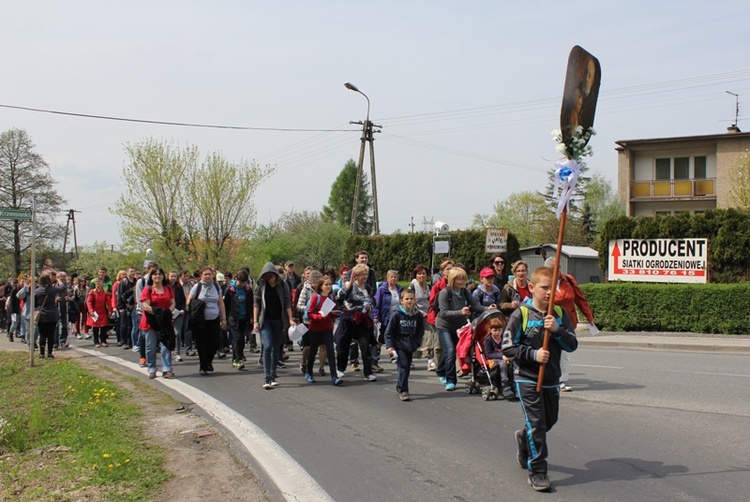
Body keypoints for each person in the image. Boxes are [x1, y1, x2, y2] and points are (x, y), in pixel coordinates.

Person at [501, 266, 578, 492]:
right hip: (527, 378)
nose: (548, 292)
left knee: (548, 421)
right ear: (532, 288)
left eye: (552, 288)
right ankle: (538, 471)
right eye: (544, 287)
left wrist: (557, 330)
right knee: (537, 424)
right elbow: (507, 348)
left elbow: (572, 345)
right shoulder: (521, 314)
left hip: (551, 378)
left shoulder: (560, 314)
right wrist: (533, 355)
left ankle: (524, 439)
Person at [544, 257, 595, 392]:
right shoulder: (543, 283)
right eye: (554, 269)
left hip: (568, 322)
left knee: (566, 352)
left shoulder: (568, 281)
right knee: (551, 351)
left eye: (559, 268)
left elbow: (580, 299)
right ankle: (549, 378)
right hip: (550, 322)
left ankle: (562, 380)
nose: (558, 271)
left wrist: (589, 317)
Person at [436, 267, 486, 391]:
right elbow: (443, 313)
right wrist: (461, 312)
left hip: (459, 328)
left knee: (452, 352)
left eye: (463, 278)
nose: (462, 281)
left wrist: (488, 308)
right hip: (444, 326)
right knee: (450, 350)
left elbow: (476, 306)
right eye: (459, 279)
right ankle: (450, 380)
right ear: (452, 279)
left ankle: (441, 370)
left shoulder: (465, 292)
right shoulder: (444, 293)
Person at [254, 262, 295, 389]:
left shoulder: (283, 285)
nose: (270, 279)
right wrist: (255, 321)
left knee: (276, 347)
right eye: (268, 276)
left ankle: (273, 375)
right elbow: (256, 303)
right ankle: (267, 378)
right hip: (265, 320)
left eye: (272, 276)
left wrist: (290, 318)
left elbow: (287, 302)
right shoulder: (260, 286)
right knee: (267, 346)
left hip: (278, 320)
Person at [335, 263, 377, 382]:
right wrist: (350, 284)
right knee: (343, 345)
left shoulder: (368, 288)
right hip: (349, 319)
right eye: (362, 274)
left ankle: (368, 373)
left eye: (366, 274)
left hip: (362, 320)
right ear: (356, 275)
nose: (364, 277)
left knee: (365, 346)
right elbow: (339, 296)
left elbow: (372, 301)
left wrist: (370, 306)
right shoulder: (350, 286)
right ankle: (340, 369)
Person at [384, 289, 425, 402]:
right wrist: (389, 346)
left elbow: (420, 331)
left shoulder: (418, 315)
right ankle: (403, 390)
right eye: (406, 299)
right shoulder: (397, 315)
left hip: (411, 344)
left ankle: (399, 385)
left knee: (406, 368)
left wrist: (417, 342)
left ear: (415, 300)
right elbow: (389, 332)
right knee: (404, 366)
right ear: (401, 301)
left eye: (411, 299)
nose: (409, 301)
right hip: (399, 344)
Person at [188, 266, 228, 376]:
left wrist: (224, 318)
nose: (207, 276)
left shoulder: (216, 286)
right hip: (201, 320)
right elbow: (189, 301)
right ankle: (203, 366)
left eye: (209, 274)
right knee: (201, 343)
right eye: (205, 274)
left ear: (213, 275)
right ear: (201, 276)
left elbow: (220, 303)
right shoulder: (197, 287)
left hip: (214, 318)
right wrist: (197, 306)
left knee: (215, 342)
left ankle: (208, 361)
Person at [303, 275, 341, 385]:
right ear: (321, 286)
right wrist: (320, 317)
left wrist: (335, 314)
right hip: (315, 329)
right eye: (326, 285)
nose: (329, 287)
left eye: (330, 284)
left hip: (327, 328)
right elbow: (310, 314)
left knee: (330, 351)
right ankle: (309, 372)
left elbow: (334, 311)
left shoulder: (332, 297)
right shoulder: (316, 297)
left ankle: (334, 376)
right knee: (313, 351)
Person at [140, 267, 176, 379]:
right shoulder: (148, 289)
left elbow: (172, 303)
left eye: (160, 274)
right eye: (155, 274)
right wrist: (159, 313)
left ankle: (167, 369)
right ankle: (152, 369)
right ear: (151, 276)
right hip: (151, 321)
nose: (157, 276)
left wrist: (166, 313)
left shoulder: (168, 289)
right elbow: (146, 306)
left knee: (166, 345)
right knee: (150, 346)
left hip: (165, 321)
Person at [424, 259, 453, 371]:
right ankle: (439, 365)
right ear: (442, 271)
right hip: (439, 317)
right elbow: (432, 301)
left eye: (452, 269)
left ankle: (450, 367)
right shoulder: (438, 285)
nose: (450, 271)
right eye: (447, 269)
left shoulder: (456, 284)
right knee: (439, 345)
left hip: (453, 317)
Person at [372, 270, 402, 372]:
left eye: (395, 277)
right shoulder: (382, 289)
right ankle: (377, 351)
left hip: (397, 317)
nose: (393, 279)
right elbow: (377, 303)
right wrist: (375, 316)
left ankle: (394, 356)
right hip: (386, 317)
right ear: (387, 278)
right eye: (391, 277)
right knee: (383, 337)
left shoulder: (399, 289)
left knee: (395, 336)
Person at [224, 269, 253, 370]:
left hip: (244, 318)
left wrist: (251, 317)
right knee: (237, 337)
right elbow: (225, 305)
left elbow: (251, 304)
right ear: (236, 279)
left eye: (244, 282)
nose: (241, 284)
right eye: (240, 282)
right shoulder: (230, 290)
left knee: (242, 340)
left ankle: (234, 358)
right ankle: (239, 359)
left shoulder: (248, 290)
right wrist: (224, 319)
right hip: (233, 318)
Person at [34, 272, 67, 359]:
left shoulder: (36, 291)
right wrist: (59, 279)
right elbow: (63, 288)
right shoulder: (53, 289)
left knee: (42, 334)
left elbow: (34, 304)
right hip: (52, 314)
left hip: (41, 314)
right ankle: (50, 353)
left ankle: (41, 354)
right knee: (51, 334)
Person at [409, 264, 434, 369]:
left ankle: (430, 360)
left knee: (430, 337)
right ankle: (409, 360)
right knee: (414, 338)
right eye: (419, 274)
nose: (422, 276)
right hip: (415, 315)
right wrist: (419, 312)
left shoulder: (429, 286)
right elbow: (409, 302)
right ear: (416, 275)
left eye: (423, 273)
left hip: (428, 315)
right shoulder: (413, 287)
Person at [483, 317, 514, 399]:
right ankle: (505, 385)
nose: (497, 333)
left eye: (499, 330)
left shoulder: (504, 339)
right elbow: (488, 354)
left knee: (512, 363)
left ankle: (514, 384)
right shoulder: (488, 340)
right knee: (503, 364)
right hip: (492, 361)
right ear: (490, 330)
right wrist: (501, 356)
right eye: (495, 330)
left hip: (504, 358)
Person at [86, 277, 111, 348]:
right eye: (96, 282)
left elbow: (108, 302)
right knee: (95, 327)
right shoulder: (92, 292)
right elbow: (89, 302)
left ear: (103, 283)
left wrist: (110, 310)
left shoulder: (105, 292)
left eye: (99, 282)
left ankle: (103, 340)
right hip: (95, 312)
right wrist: (91, 310)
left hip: (103, 312)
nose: (98, 283)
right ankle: (96, 341)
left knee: (103, 327)